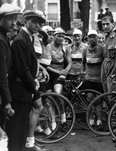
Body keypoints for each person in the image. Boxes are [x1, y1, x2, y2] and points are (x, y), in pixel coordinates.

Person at [6, 10, 47, 151]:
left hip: (25, 86)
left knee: (23, 122)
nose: (38, 26)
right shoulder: (20, 40)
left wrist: (39, 70)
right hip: (20, 88)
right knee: (17, 126)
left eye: (40, 23)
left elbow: (31, 61)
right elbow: (21, 69)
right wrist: (33, 85)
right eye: (34, 22)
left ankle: (27, 143)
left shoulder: (28, 37)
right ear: (25, 21)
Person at [0, 3, 21, 131]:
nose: (14, 23)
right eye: (10, 19)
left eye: (15, 18)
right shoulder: (1, 40)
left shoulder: (4, 37)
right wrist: (7, 102)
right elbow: (2, 74)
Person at [46, 27, 72, 124]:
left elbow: (70, 62)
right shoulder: (48, 46)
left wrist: (66, 70)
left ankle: (62, 115)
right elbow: (45, 65)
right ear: (53, 36)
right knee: (49, 98)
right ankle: (53, 120)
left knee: (58, 93)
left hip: (59, 75)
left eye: (62, 37)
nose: (61, 38)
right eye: (58, 36)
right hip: (49, 74)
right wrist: (58, 72)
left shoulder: (65, 47)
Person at [81, 30, 104, 125]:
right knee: (90, 98)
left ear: (97, 38)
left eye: (94, 37)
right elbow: (83, 62)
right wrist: (83, 72)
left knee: (99, 99)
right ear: (88, 39)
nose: (92, 39)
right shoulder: (85, 50)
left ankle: (99, 118)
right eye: (90, 37)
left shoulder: (102, 49)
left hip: (99, 79)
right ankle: (91, 117)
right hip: (89, 79)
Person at [101, 15, 116, 94]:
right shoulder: (105, 37)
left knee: (112, 91)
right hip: (105, 65)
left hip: (113, 65)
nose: (105, 26)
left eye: (107, 24)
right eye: (103, 24)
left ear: (112, 24)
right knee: (105, 91)